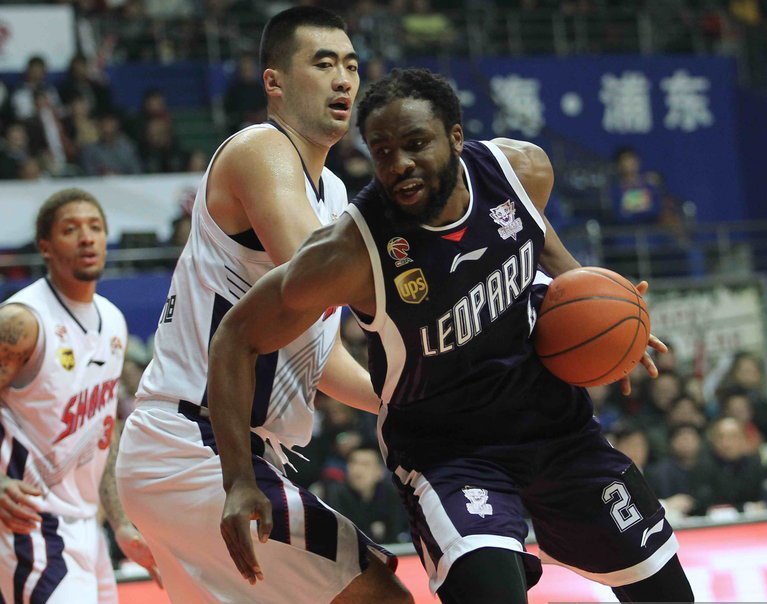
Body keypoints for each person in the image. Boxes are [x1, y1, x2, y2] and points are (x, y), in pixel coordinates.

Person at [208, 68, 694, 603]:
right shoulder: (348, 252)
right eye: (383, 151)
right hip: (449, 454)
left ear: (456, 137)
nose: (400, 163)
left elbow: (553, 258)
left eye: (416, 143)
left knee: (669, 597)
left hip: (556, 428)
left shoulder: (521, 172)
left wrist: (615, 325)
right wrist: (239, 479)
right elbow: (235, 335)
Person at [114, 7, 409, 604]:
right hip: (194, 444)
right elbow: (313, 271)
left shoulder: (333, 193)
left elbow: (321, 357)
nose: (343, 80)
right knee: (379, 596)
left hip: (212, 451)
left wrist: (401, 395)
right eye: (322, 64)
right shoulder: (261, 149)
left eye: (351, 65)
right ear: (273, 81)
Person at [0, 189, 158, 602]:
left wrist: (121, 523)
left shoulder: (113, 320)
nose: (87, 238)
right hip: (31, 524)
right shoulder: (22, 321)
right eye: (71, 230)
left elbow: (101, 429)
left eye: (95, 228)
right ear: (46, 248)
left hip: (89, 526)